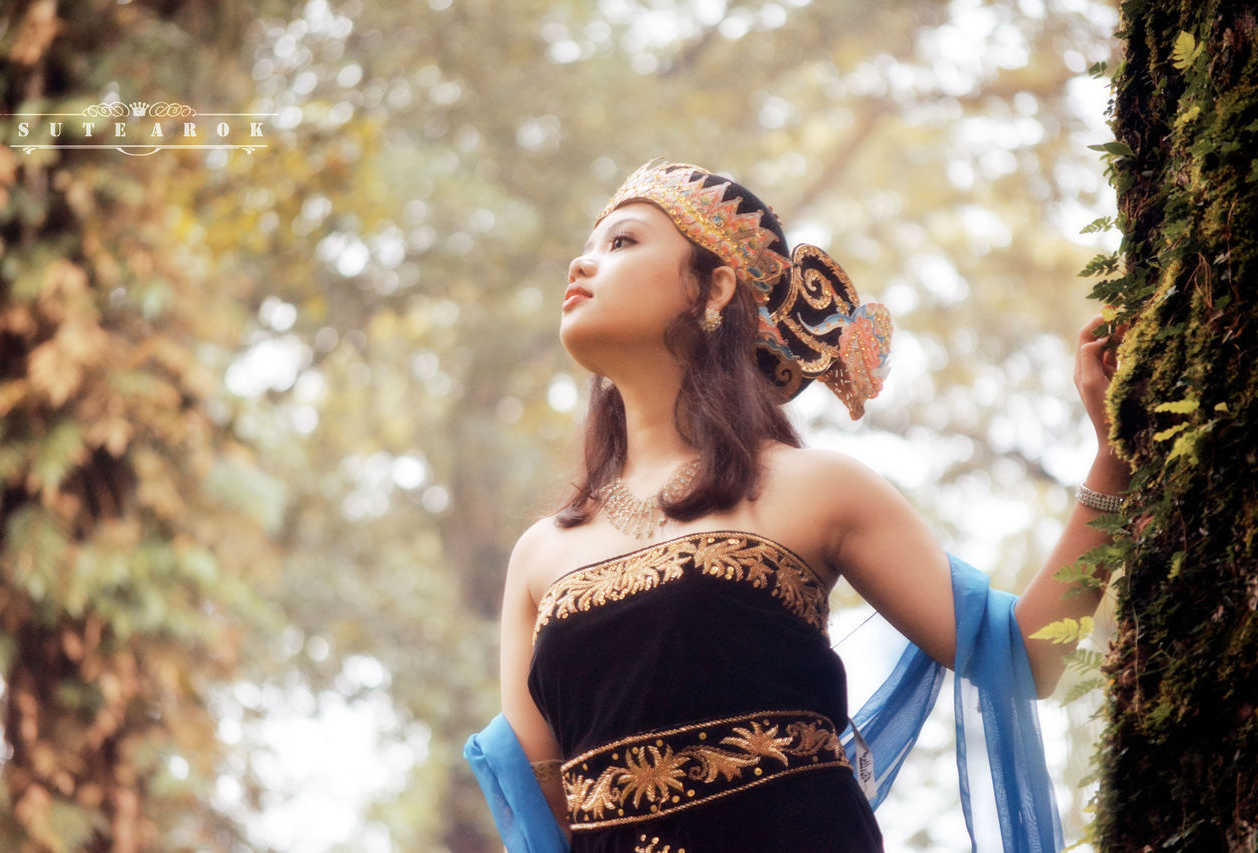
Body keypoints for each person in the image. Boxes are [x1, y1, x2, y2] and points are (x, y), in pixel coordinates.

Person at [466, 159, 1129, 852]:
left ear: (714, 285)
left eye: (623, 242)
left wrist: (1112, 462)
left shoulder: (815, 489)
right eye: (591, 244)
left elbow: (1026, 653)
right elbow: (547, 825)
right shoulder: (541, 557)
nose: (582, 262)